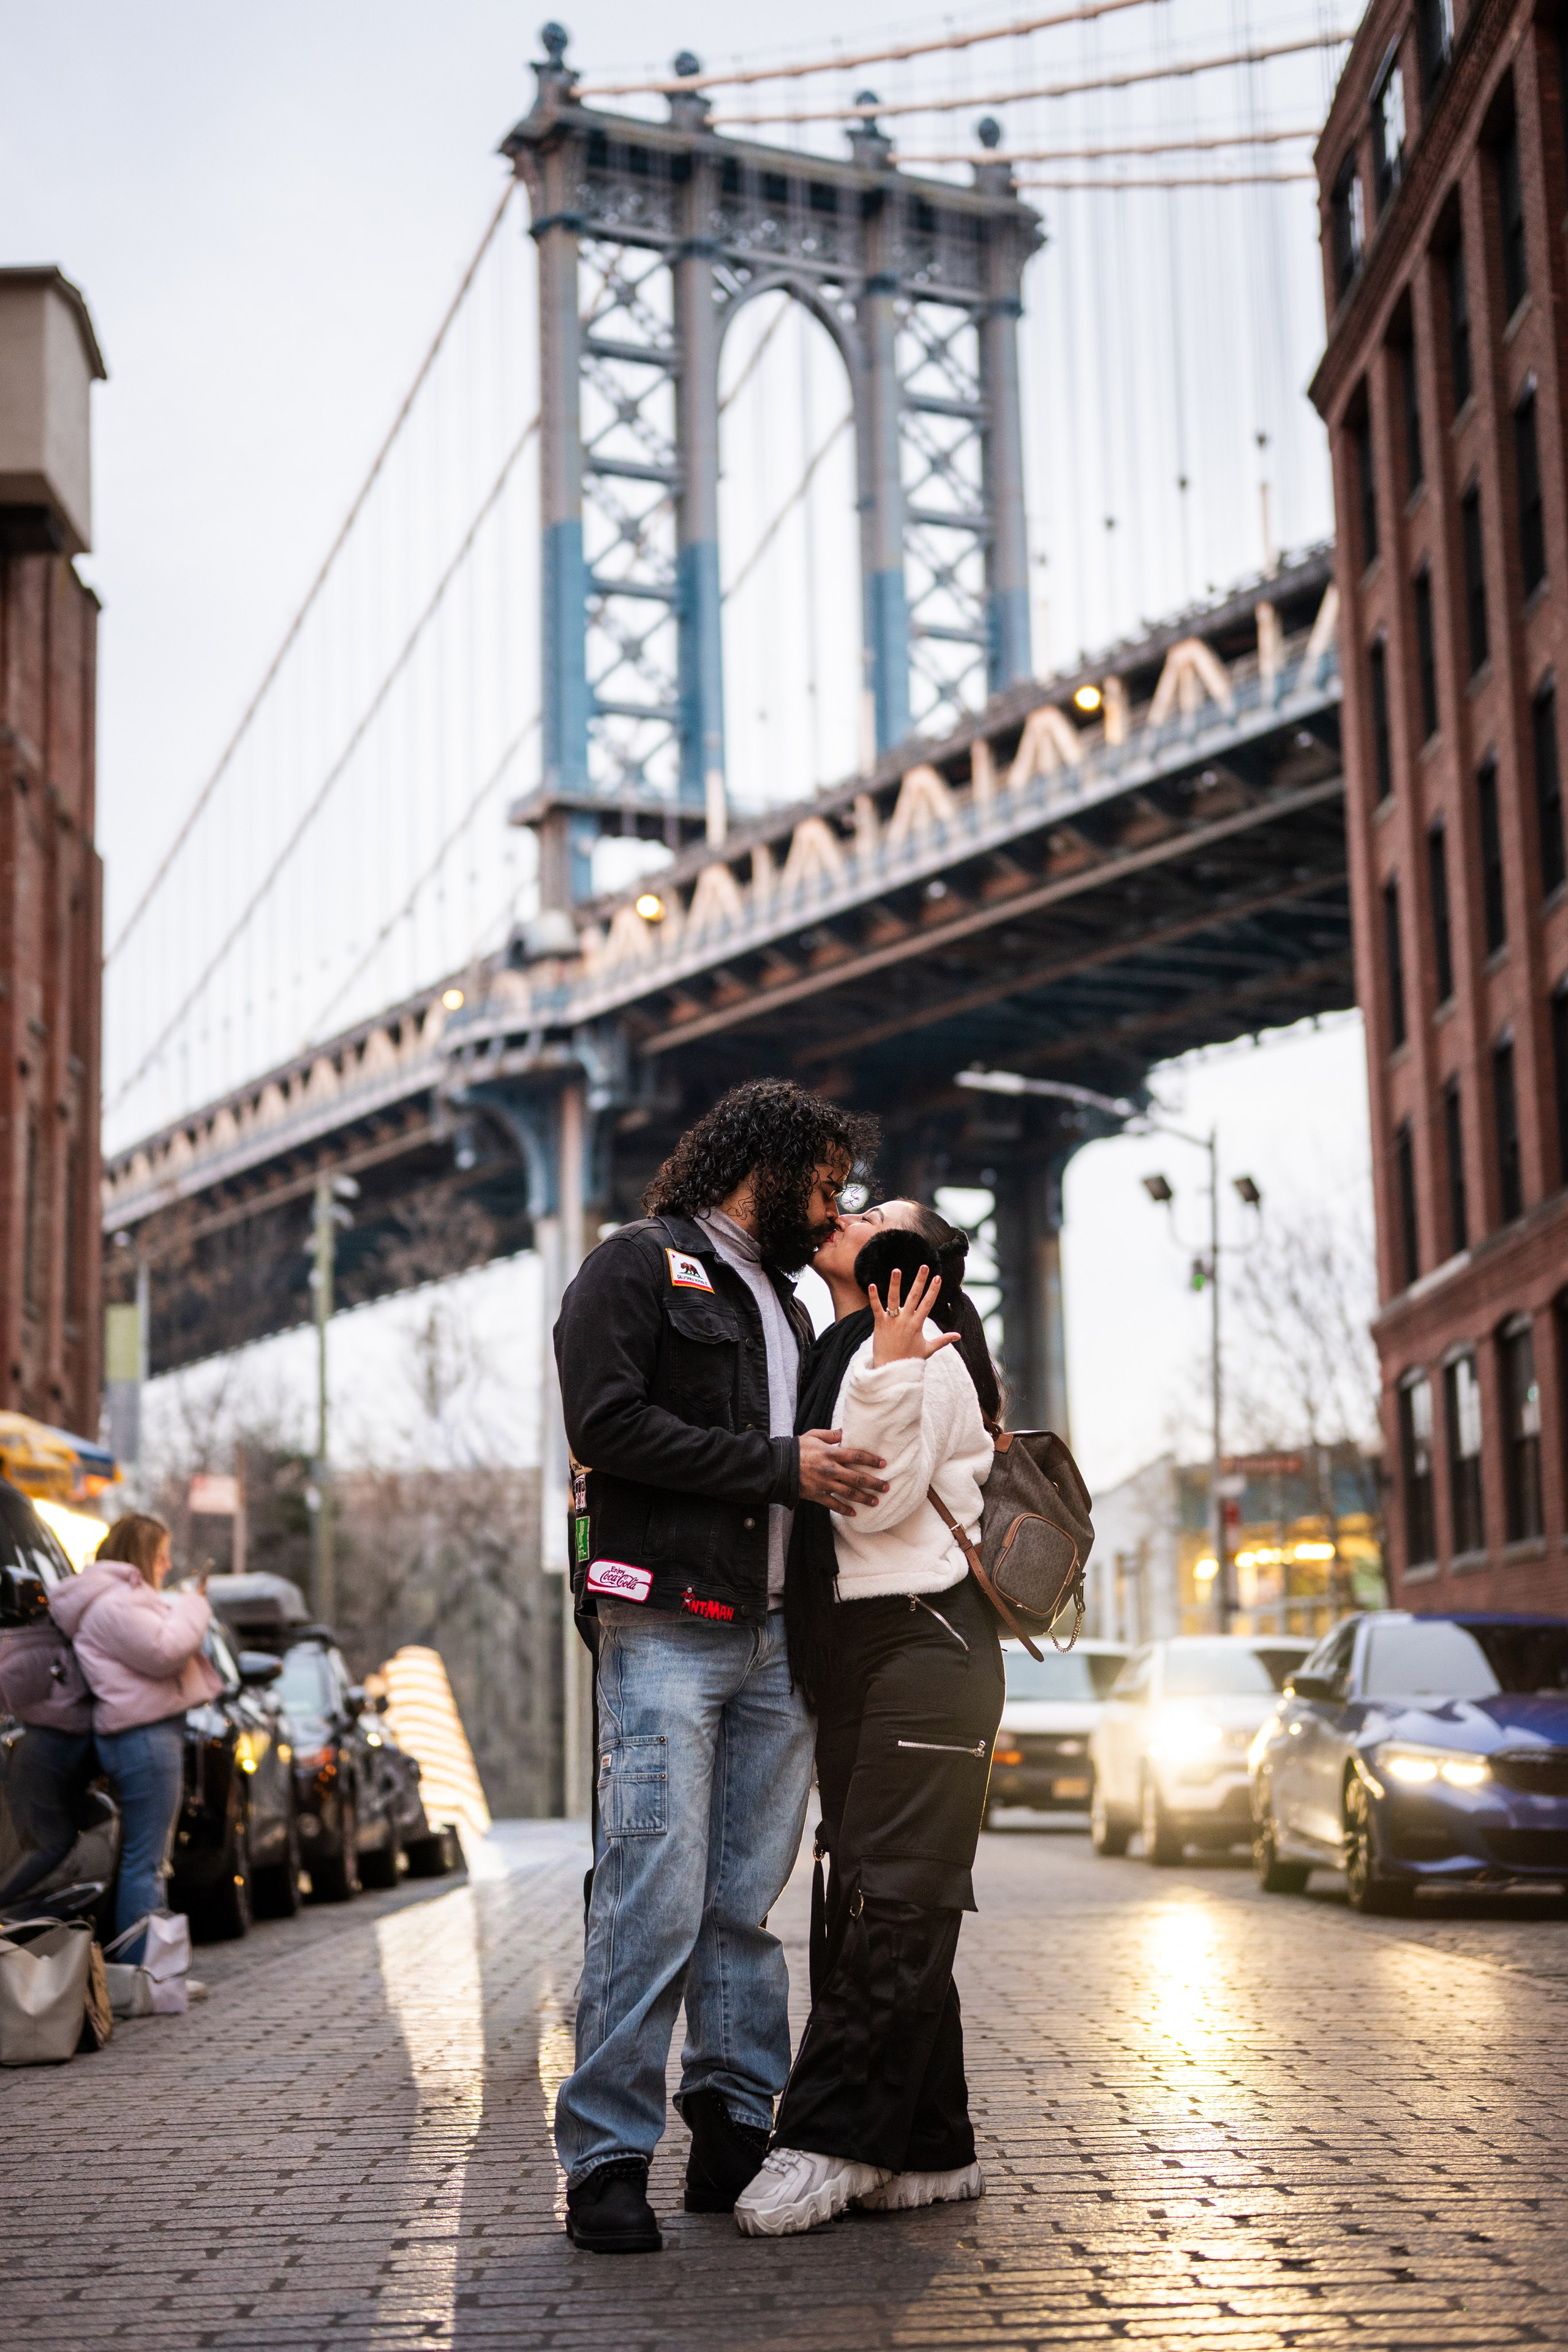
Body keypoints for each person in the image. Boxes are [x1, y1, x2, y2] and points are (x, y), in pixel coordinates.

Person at [552, 1078, 886, 2253]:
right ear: (773, 1159)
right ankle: (605, 2156)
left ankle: (733, 2125)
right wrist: (779, 1466)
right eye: (828, 1185)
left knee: (743, 1903)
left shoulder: (792, 1309)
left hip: (780, 1632)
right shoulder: (635, 1266)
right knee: (649, 1893)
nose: (835, 1206)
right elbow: (606, 1424)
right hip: (668, 1628)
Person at [736, 1202, 1005, 2237]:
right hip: (862, 1653)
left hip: (930, 1646)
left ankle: (829, 2139)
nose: (842, 1217)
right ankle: (931, 2147)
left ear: (913, 1264)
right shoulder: (836, 1349)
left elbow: (874, 1502)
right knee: (870, 1897)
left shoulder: (926, 1354)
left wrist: (894, 1365)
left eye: (872, 1217)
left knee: (893, 1900)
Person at [48, 1513, 221, 1963]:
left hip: (140, 1734)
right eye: (161, 1553)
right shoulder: (116, 1603)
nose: (167, 1563)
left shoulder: (114, 1600)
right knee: (146, 1861)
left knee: (147, 1859)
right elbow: (164, 1652)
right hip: (143, 1736)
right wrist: (194, 1606)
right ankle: (146, 1973)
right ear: (143, 1554)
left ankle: (152, 1970)